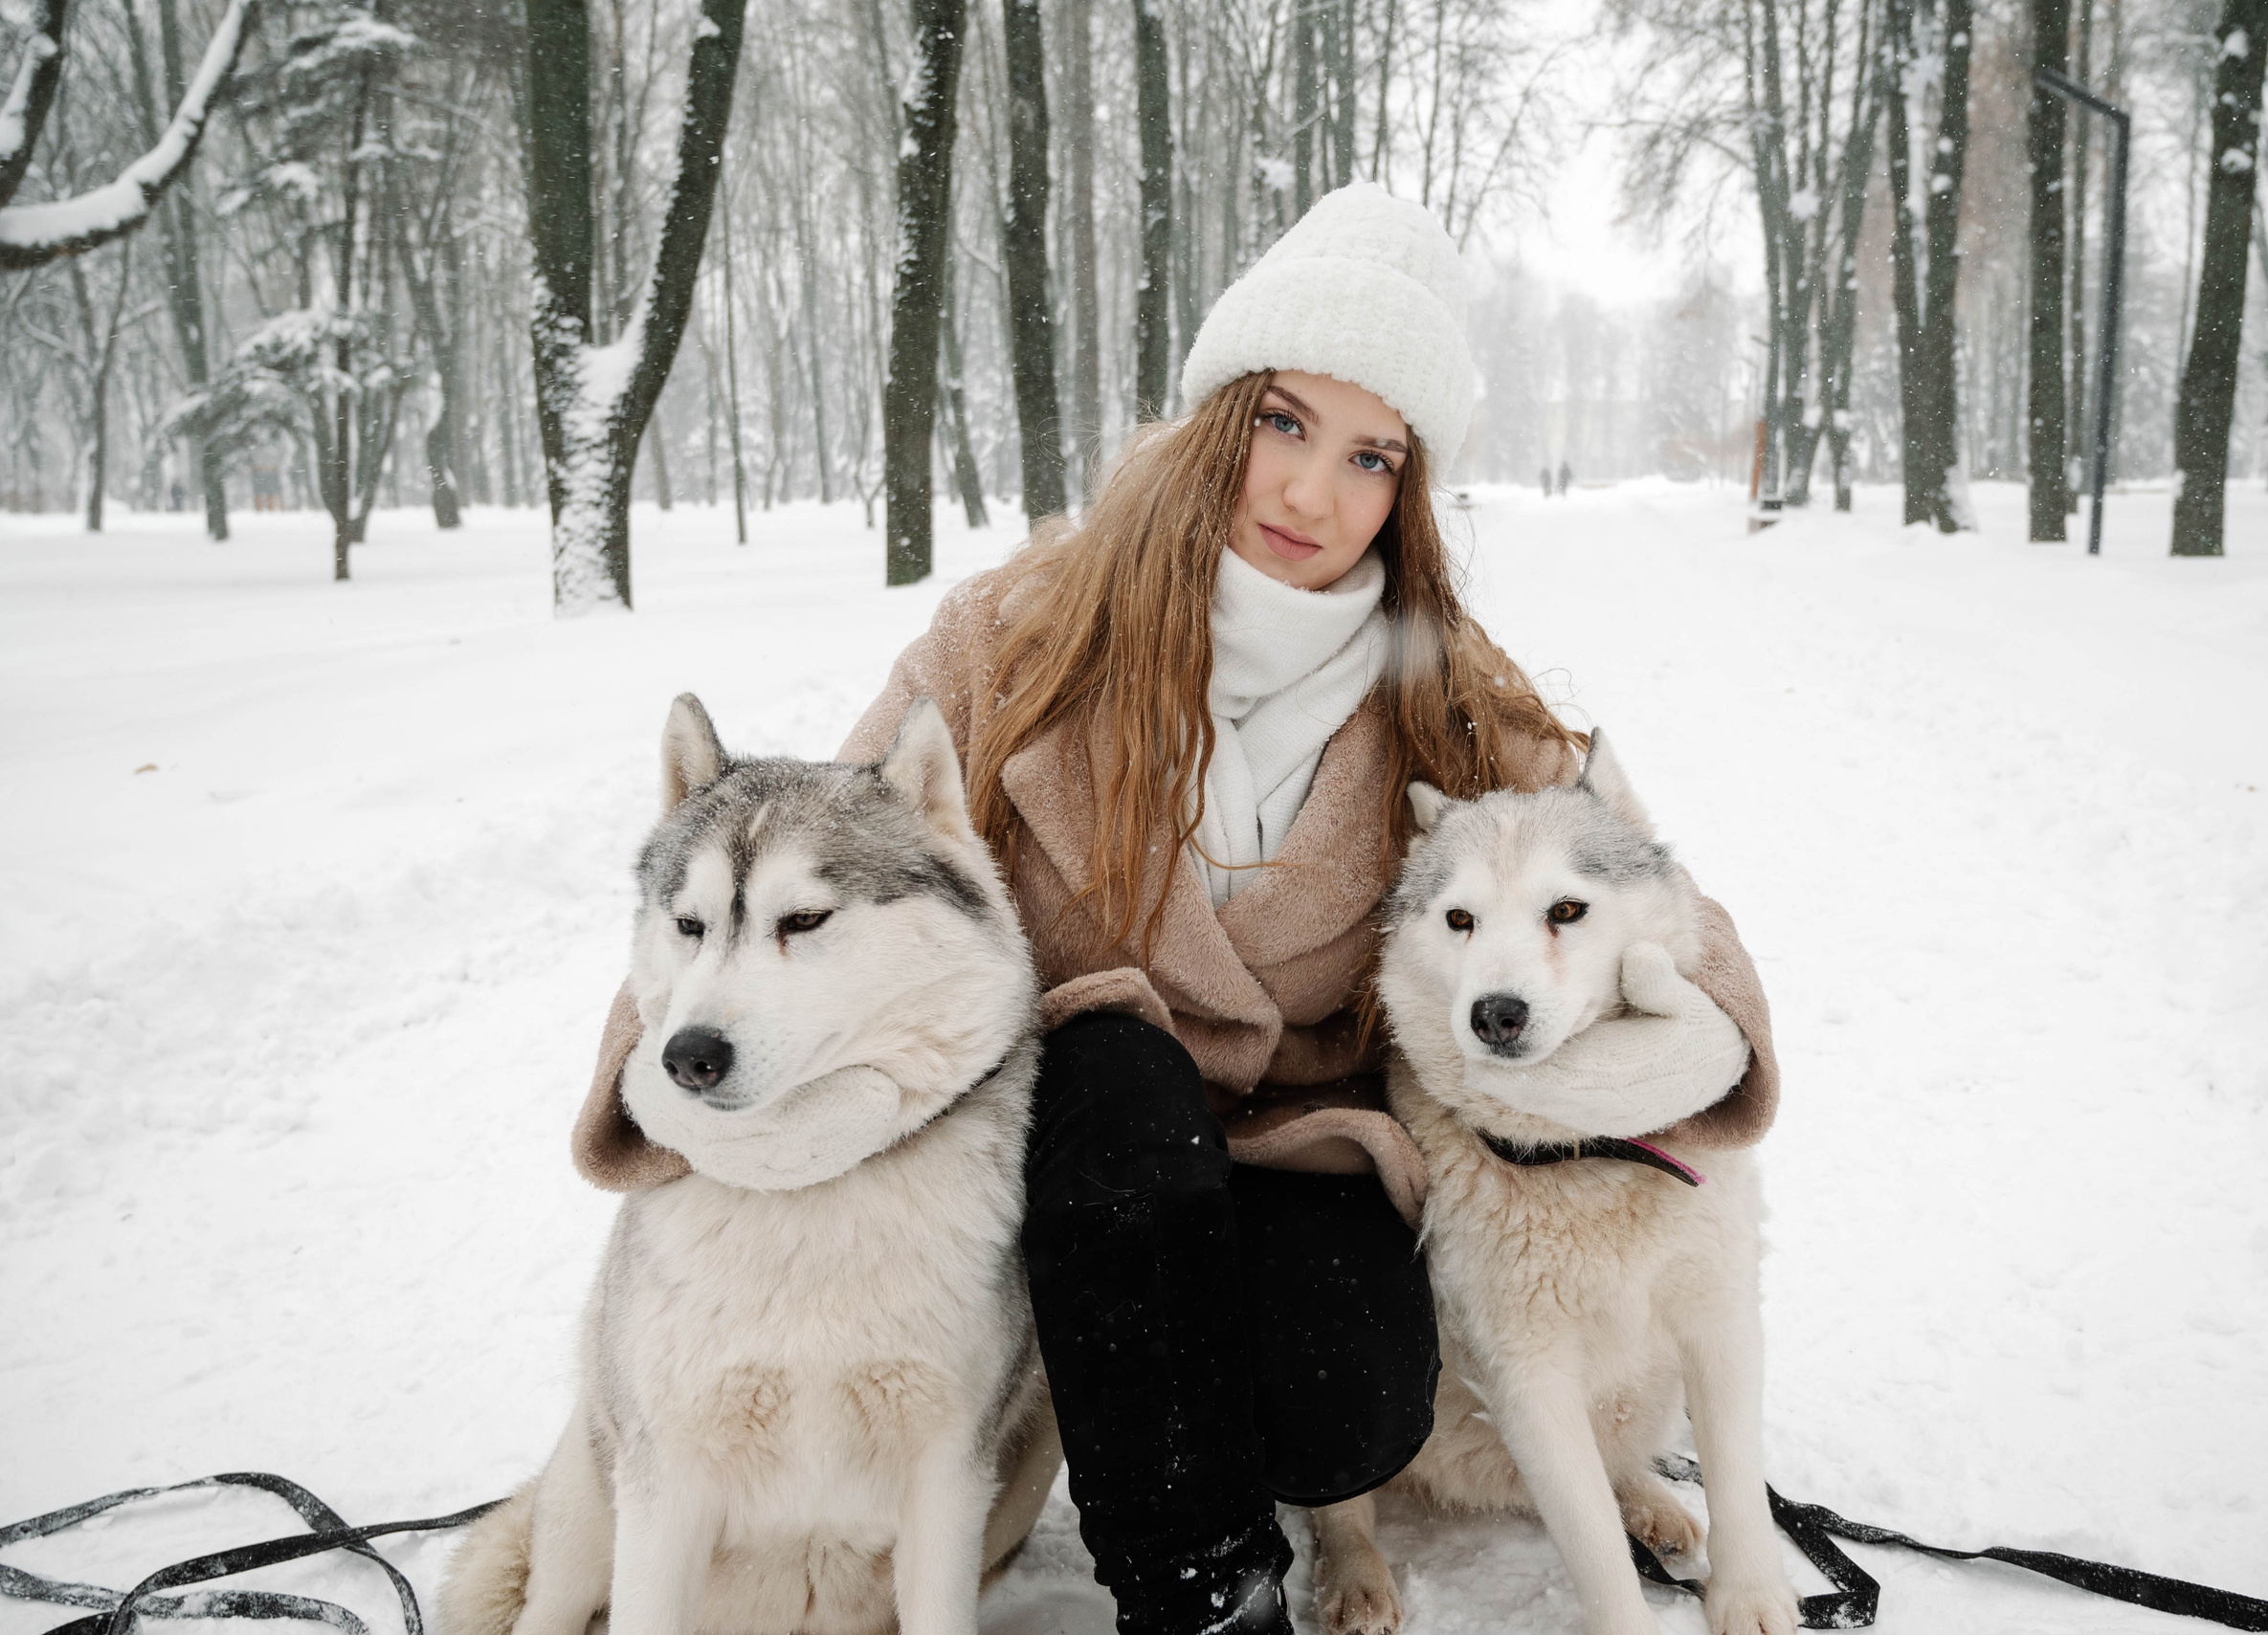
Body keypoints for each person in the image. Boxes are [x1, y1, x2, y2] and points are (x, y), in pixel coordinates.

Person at [574, 183, 1779, 1635]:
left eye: (1370, 455)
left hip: (1294, 1146)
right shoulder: (1014, 635)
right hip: (1073, 1155)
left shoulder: (1442, 684)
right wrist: (658, 1070)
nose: (1311, 494)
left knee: (1350, 1411)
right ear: (1216, 417)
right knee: (1119, 1073)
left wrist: (1706, 1026)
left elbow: (1635, 871)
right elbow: (791, 859)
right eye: (1282, 422)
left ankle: (1231, 1420)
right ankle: (1200, 1590)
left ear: (1408, 488)